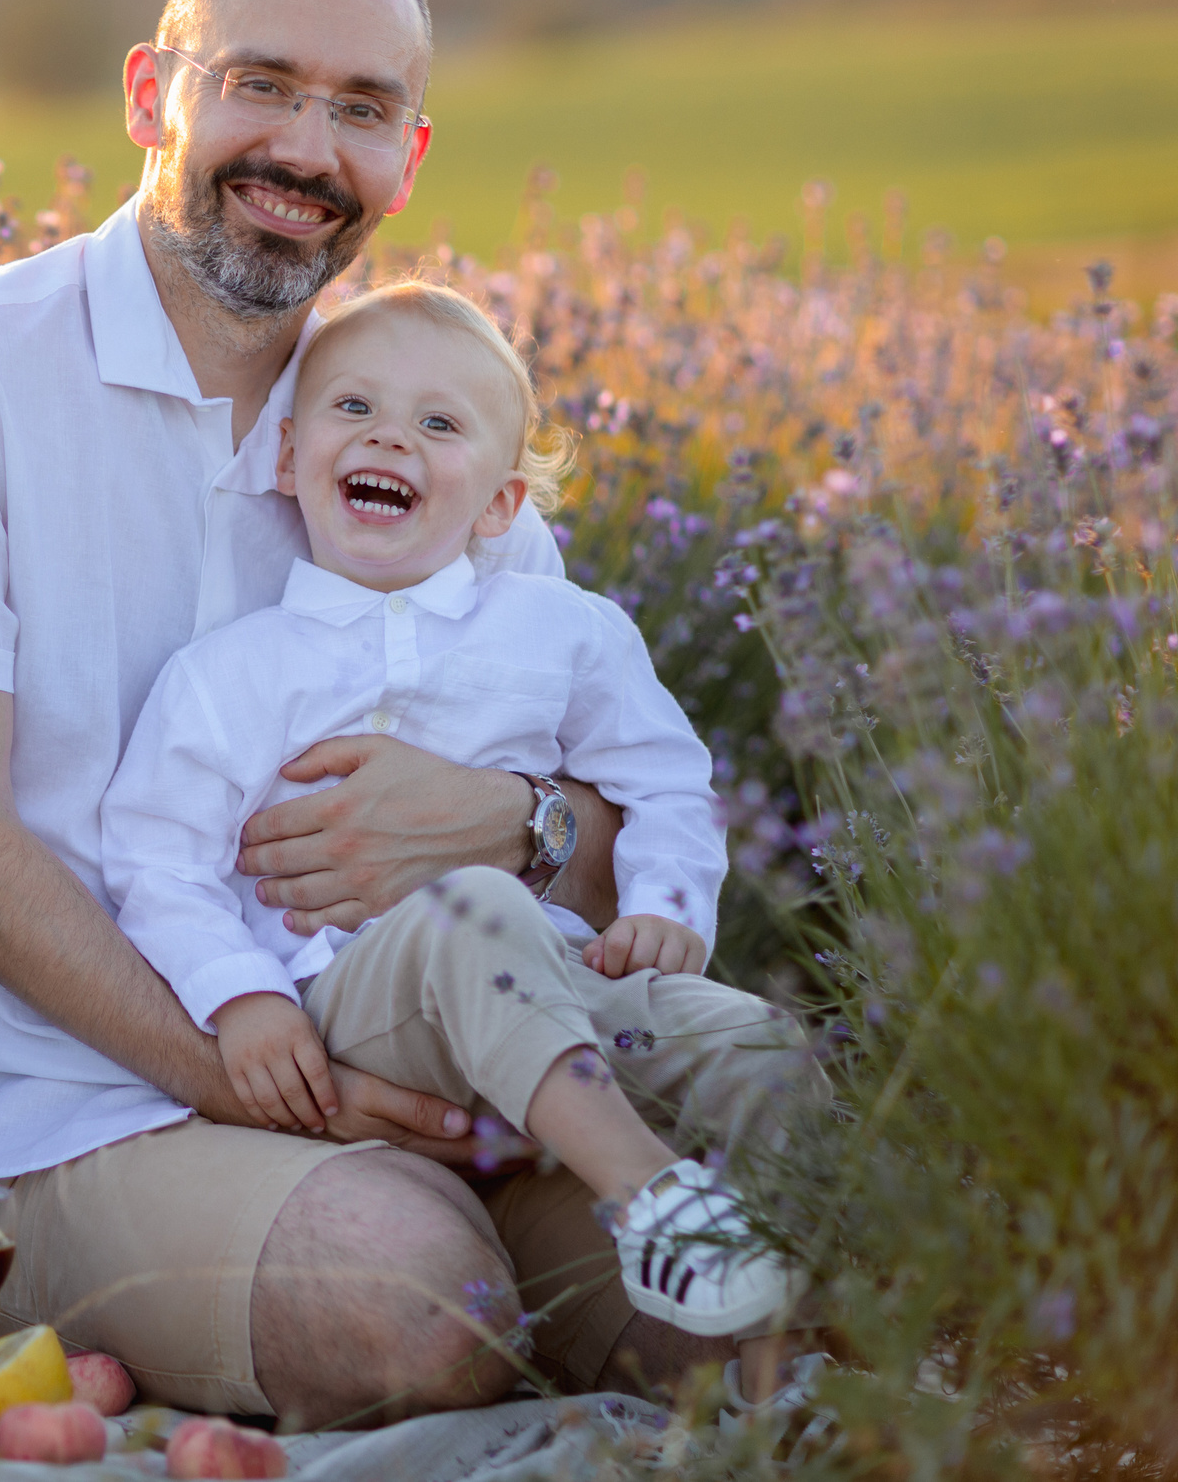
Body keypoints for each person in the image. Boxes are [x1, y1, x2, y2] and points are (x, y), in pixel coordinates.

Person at [0, 0, 792, 1427]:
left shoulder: (411, 417)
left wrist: (510, 820)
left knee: (750, 1297)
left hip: (446, 1061)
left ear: (410, 152)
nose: (306, 147)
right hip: (58, 1106)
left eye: (363, 108)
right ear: (151, 96)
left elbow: (599, 810)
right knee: (421, 1300)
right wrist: (253, 1073)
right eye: (262, 83)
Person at [100, 282, 818, 1384]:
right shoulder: (228, 674)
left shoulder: (565, 632)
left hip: (563, 989)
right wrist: (237, 998)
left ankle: (795, 1350)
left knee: (763, 1051)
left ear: (499, 506)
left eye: (439, 424)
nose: (390, 434)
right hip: (356, 1013)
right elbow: (156, 858)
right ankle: (653, 1198)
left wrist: (666, 908)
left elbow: (664, 777)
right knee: (476, 905)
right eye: (354, 408)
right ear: (289, 458)